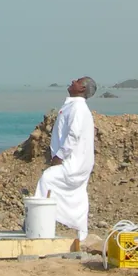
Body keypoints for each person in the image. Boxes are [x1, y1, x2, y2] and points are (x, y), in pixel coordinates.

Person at [34, 76, 97, 244]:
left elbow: (74, 135)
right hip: (77, 161)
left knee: (47, 178)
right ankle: (81, 231)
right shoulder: (73, 105)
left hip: (73, 162)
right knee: (78, 195)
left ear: (82, 89)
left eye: (77, 81)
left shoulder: (78, 108)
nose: (73, 81)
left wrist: (59, 156)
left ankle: (38, 225)